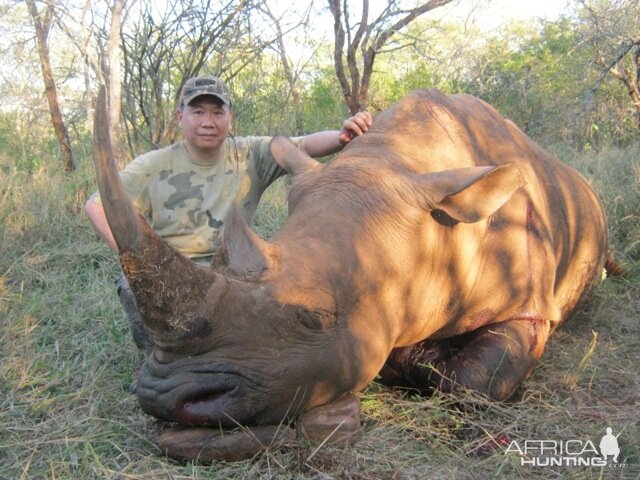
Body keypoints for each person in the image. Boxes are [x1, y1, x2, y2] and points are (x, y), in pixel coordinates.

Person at [85, 74, 372, 353]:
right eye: (197, 112)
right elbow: (95, 205)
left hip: (235, 271)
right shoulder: (152, 165)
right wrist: (138, 258)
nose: (208, 122)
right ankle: (160, 357)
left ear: (230, 117)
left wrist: (342, 136)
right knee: (136, 287)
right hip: (172, 271)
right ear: (180, 117)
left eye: (217, 112)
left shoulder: (249, 154)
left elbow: (304, 145)